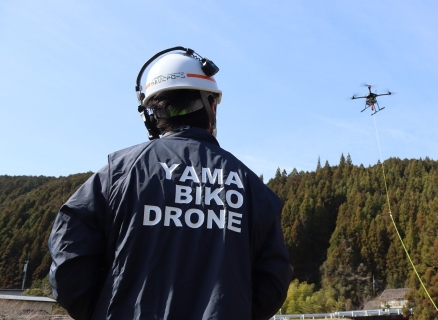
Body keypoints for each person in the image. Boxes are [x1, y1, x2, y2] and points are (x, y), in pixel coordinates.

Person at [48, 47, 292, 320]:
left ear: (150, 116)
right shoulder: (251, 188)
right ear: (212, 106)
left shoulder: (118, 174)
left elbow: (69, 260)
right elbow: (273, 282)